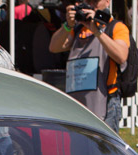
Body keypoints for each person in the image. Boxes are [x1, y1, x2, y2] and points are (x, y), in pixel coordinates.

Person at [48, 0, 130, 132]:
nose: (92, 4)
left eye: (96, 1)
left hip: (105, 102)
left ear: (108, 2)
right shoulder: (78, 28)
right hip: (78, 102)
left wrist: (97, 31)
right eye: (88, 0)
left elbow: (121, 56)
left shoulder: (116, 27)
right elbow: (54, 47)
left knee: (103, 151)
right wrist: (68, 25)